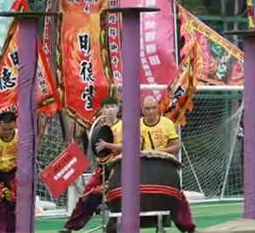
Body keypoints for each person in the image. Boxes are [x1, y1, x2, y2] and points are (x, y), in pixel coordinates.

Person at [97, 96, 195, 233]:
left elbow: (176, 147)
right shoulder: (136, 125)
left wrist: (159, 151)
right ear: (142, 110)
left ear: (158, 108)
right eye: (147, 108)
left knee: (177, 197)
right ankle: (112, 226)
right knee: (119, 193)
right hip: (139, 167)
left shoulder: (167, 124)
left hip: (161, 168)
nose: (151, 111)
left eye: (154, 108)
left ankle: (188, 227)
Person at [60, 97, 121, 233]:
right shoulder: (99, 126)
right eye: (106, 107)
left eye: (112, 107)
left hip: (118, 168)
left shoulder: (122, 126)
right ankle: (71, 227)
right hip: (102, 168)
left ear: (117, 108)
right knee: (86, 196)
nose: (110, 110)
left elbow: (128, 146)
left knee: (115, 198)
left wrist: (107, 145)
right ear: (102, 110)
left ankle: (112, 227)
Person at [0, 111, 18, 233]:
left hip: (14, 174)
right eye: (4, 129)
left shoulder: (22, 137)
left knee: (16, 203)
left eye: (11, 129)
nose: (8, 132)